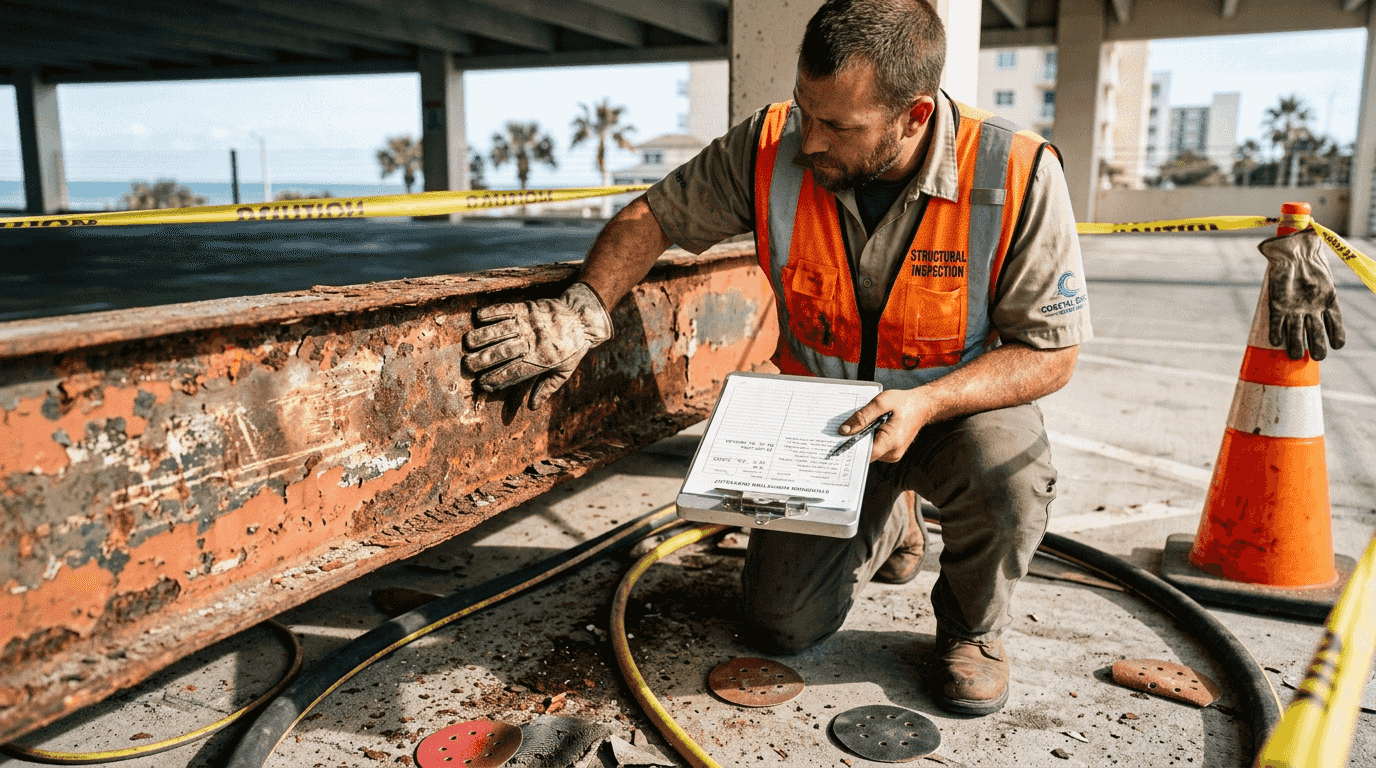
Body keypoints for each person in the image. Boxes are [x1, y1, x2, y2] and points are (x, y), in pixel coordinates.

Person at [462, 0, 1090, 716]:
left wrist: (925, 403)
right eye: (805, 110)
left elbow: (1051, 355)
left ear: (915, 117)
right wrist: (583, 308)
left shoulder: (1016, 170)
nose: (810, 141)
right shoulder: (772, 143)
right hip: (824, 427)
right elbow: (654, 216)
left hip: (950, 413)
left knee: (1009, 471)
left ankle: (972, 632)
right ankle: (893, 515)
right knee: (781, 626)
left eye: (838, 127)